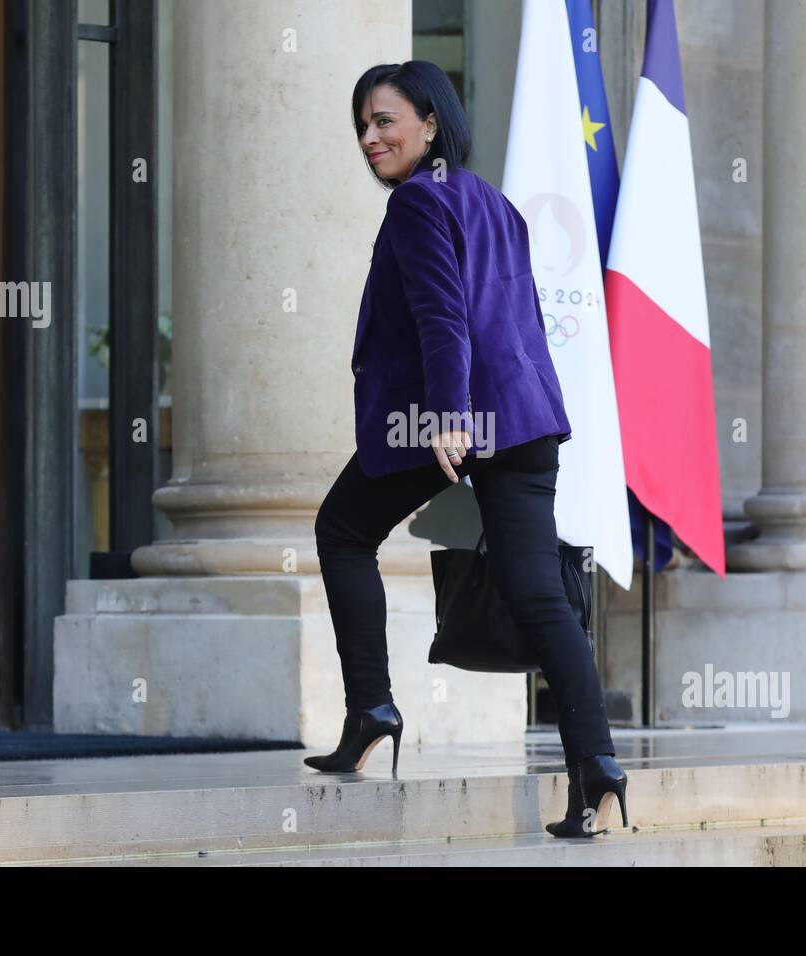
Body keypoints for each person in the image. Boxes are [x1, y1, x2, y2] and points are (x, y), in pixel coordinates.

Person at [305, 61, 628, 838]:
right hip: (525, 419)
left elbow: (442, 319)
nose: (370, 137)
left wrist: (449, 415)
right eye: (362, 125)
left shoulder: (419, 202)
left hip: (451, 420)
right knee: (538, 593)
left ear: (430, 122)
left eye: (385, 121)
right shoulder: (491, 200)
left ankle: (372, 709)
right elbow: (514, 315)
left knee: (342, 531)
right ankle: (597, 767)